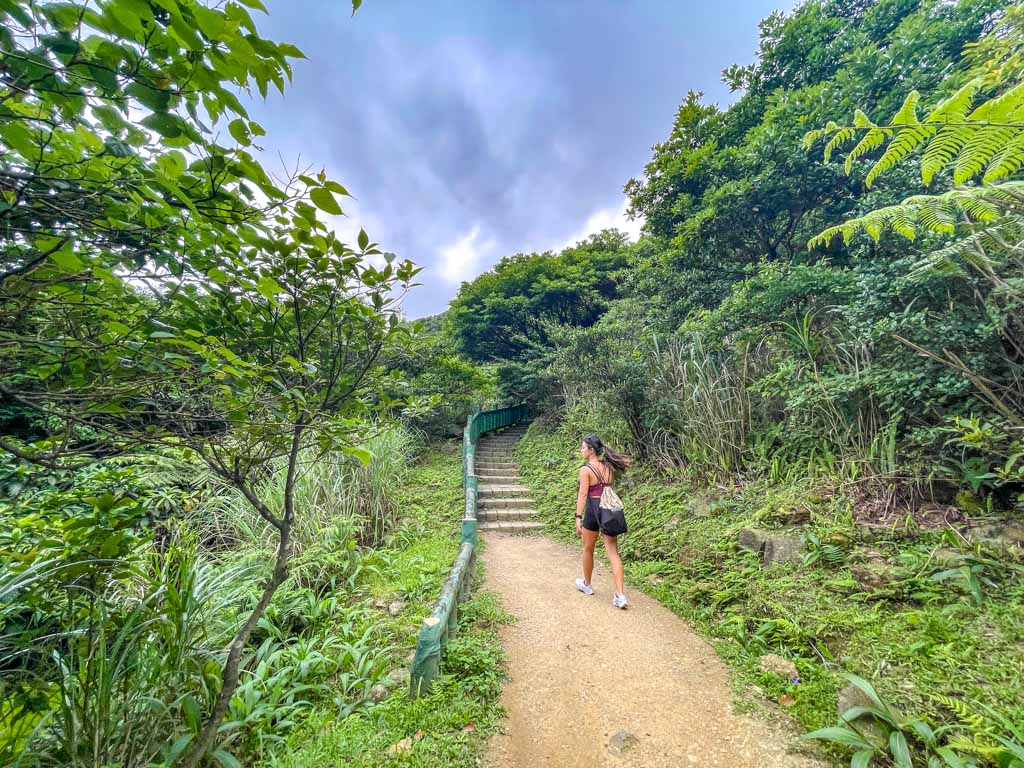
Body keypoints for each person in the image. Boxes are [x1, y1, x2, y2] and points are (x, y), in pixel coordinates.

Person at [574, 434, 632, 608]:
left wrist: (578, 516)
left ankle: (587, 584)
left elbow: (583, 494)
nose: (581, 450)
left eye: (583, 447)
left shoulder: (585, 470)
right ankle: (620, 595)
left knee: (588, 548)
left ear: (591, 450)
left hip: (593, 510)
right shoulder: (608, 467)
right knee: (613, 552)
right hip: (608, 510)